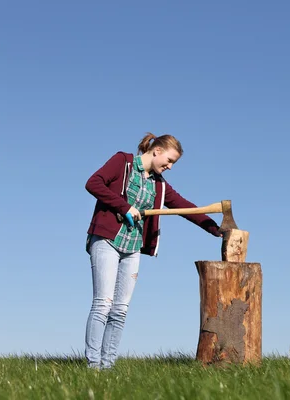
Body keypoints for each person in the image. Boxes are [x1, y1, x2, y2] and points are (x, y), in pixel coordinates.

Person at [83, 132, 222, 370]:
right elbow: (93, 183)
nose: (169, 166)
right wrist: (124, 206)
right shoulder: (123, 162)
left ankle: (107, 367)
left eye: (172, 163)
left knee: (120, 310)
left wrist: (215, 229)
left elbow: (184, 207)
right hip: (107, 240)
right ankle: (93, 366)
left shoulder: (159, 185)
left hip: (132, 247)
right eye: (168, 160)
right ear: (156, 150)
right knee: (103, 304)